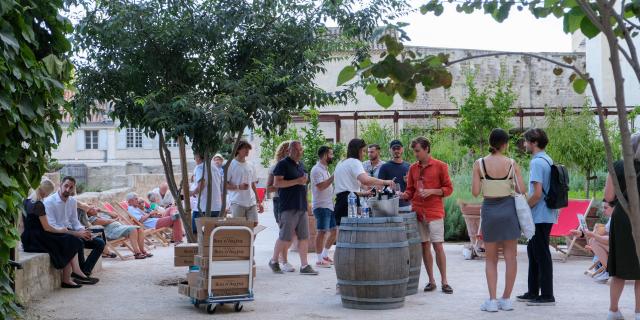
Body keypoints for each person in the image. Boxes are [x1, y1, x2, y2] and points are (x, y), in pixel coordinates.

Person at [471, 129, 526, 312]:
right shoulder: (512, 163)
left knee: (491, 259)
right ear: (505, 144)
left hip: (490, 211)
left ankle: (492, 301)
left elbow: (476, 192)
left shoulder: (479, 163)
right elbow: (521, 190)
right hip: (509, 210)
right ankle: (507, 299)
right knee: (511, 258)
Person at [401, 136, 453, 294]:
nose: (415, 154)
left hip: (434, 211)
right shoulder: (412, 169)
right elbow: (410, 190)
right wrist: (402, 194)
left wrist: (432, 191)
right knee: (424, 245)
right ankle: (431, 281)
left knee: (438, 245)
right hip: (418, 212)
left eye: (417, 151)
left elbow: (449, 189)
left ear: (426, 149)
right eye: (414, 151)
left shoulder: (440, 166)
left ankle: (445, 281)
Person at [21, 178, 95, 288]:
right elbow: (47, 228)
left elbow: (24, 225)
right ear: (44, 191)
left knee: (68, 239)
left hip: (27, 239)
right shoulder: (39, 205)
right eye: (48, 193)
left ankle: (72, 274)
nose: (47, 196)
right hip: (38, 239)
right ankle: (68, 278)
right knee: (70, 240)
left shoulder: (26, 202)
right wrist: (62, 230)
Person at [517, 128, 557, 306]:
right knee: (534, 252)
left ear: (533, 142)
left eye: (526, 141)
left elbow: (537, 193)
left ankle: (547, 295)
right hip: (546, 213)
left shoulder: (537, 163)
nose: (524, 144)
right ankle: (533, 291)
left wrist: (523, 209)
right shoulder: (547, 159)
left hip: (539, 215)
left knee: (541, 254)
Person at [268, 141, 318, 275]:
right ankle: (274, 261)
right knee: (285, 236)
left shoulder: (301, 165)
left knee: (304, 237)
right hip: (288, 205)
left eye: (300, 150)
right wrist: (296, 181)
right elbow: (276, 183)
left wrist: (307, 204)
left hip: (301, 205)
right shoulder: (282, 164)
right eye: (295, 150)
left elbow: (304, 185)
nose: (298, 152)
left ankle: (304, 265)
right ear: (289, 150)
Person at [605, 132, 640, 320]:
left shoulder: (617, 166)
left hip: (621, 217)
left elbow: (609, 196)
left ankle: (613, 310)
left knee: (619, 267)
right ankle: (638, 312)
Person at [44, 176, 105, 277]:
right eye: (66, 186)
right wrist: (77, 234)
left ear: (74, 188)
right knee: (78, 242)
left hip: (71, 231)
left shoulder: (72, 201)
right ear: (60, 185)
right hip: (58, 233)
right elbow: (52, 226)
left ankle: (85, 271)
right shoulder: (49, 202)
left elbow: (75, 221)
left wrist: (83, 231)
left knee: (100, 243)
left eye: (71, 187)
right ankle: (80, 273)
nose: (68, 189)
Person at [334, 139, 395, 226]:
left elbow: (347, 189)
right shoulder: (355, 162)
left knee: (341, 233)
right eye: (363, 151)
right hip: (349, 203)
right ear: (358, 150)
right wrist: (385, 182)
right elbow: (365, 180)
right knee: (352, 233)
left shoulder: (341, 163)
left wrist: (366, 191)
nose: (364, 154)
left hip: (340, 202)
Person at [266, 141, 295, 271]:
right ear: (285, 151)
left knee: (290, 233)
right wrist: (288, 183)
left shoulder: (294, 166)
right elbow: (269, 188)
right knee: (285, 232)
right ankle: (281, 261)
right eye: (291, 150)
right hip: (280, 200)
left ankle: (280, 260)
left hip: (291, 201)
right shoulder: (275, 167)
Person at [570, 200, 613, 283]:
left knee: (594, 241)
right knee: (593, 240)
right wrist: (582, 234)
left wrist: (593, 237)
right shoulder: (612, 218)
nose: (603, 210)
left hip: (626, 250)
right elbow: (601, 234)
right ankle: (609, 270)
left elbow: (611, 240)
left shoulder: (619, 219)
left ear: (614, 208)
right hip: (618, 247)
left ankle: (610, 271)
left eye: (606, 208)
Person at [85, 207, 151, 259]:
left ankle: (142, 251)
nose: (94, 209)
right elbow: (105, 222)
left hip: (119, 228)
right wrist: (114, 220)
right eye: (91, 209)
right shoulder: (92, 218)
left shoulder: (101, 214)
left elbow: (115, 215)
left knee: (139, 229)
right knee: (133, 229)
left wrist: (102, 210)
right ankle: (137, 253)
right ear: (88, 213)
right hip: (111, 232)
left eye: (93, 207)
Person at [310, 146, 336, 268]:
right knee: (321, 232)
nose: (333, 156)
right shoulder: (316, 170)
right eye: (331, 154)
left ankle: (325, 255)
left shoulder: (325, 169)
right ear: (325, 155)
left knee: (334, 231)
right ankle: (319, 260)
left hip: (329, 205)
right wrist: (333, 177)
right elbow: (320, 186)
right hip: (321, 206)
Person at [226, 141, 264, 221]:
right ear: (238, 150)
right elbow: (224, 185)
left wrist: (259, 202)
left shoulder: (251, 165)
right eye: (245, 148)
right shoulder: (230, 165)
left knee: (253, 227)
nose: (247, 150)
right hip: (237, 203)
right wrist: (239, 187)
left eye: (248, 148)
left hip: (251, 202)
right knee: (240, 230)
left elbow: (253, 185)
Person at [191, 153, 223, 233]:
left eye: (194, 158)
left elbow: (201, 184)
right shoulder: (215, 168)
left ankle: (200, 246)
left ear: (198, 157)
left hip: (203, 207)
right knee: (213, 235)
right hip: (217, 207)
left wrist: (191, 193)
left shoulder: (200, 167)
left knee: (196, 231)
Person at [378, 139, 411, 211]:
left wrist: (408, 182)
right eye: (394, 148)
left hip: (406, 205)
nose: (396, 151)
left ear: (402, 149)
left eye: (398, 148)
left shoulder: (409, 166)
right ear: (390, 150)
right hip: (390, 206)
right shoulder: (384, 167)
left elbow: (414, 188)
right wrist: (387, 187)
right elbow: (379, 187)